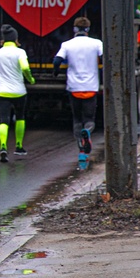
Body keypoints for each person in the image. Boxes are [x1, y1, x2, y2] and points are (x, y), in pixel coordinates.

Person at [54, 16, 103, 168]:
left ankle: (81, 151)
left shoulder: (67, 44)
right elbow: (104, 58)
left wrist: (55, 72)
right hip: (91, 87)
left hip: (74, 88)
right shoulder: (97, 43)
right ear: (88, 29)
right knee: (89, 118)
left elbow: (57, 61)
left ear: (75, 29)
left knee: (76, 119)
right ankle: (87, 131)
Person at [0, 24, 34, 162]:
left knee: (4, 120)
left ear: (3, 39)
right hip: (19, 92)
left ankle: (3, 146)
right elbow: (25, 67)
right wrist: (30, 79)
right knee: (20, 117)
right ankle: (19, 146)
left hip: (2, 92)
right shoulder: (20, 52)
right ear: (16, 39)